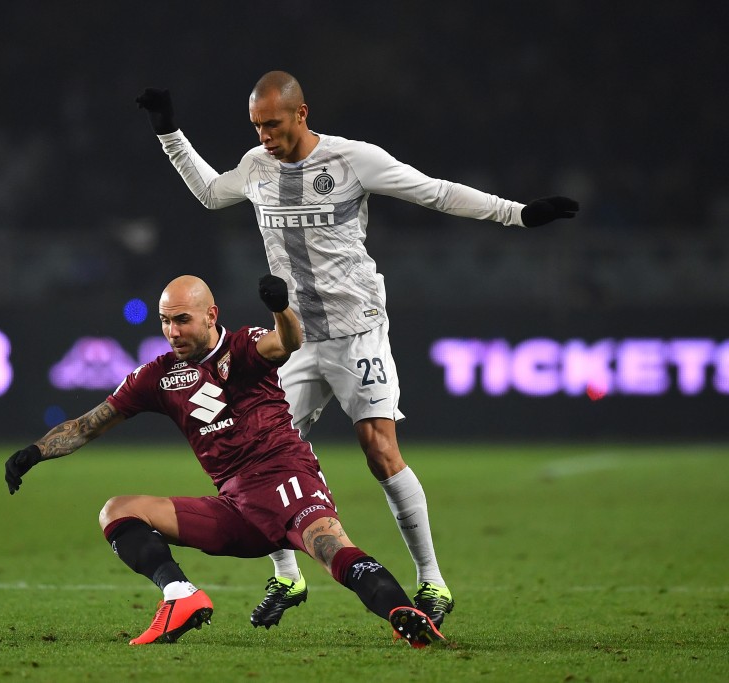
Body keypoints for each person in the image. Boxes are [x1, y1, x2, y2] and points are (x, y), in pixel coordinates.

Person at [135, 71, 579, 629]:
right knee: (254, 460)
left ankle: (433, 582)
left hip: (355, 330)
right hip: (291, 340)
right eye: (256, 126)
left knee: (379, 450)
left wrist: (517, 213)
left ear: (301, 113)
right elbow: (208, 192)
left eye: (272, 124)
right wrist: (168, 131)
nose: (264, 136)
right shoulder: (256, 166)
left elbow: (436, 192)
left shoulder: (353, 161)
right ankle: (288, 576)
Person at [4, 274, 446, 648]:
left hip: (285, 481)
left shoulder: (243, 347)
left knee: (332, 549)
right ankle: (180, 593)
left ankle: (402, 612)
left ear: (211, 316)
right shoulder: (157, 376)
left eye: (182, 320)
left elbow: (286, 343)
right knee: (116, 511)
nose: (172, 332)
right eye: (165, 322)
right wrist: (35, 452)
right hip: (235, 508)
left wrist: (281, 309)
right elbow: (88, 424)